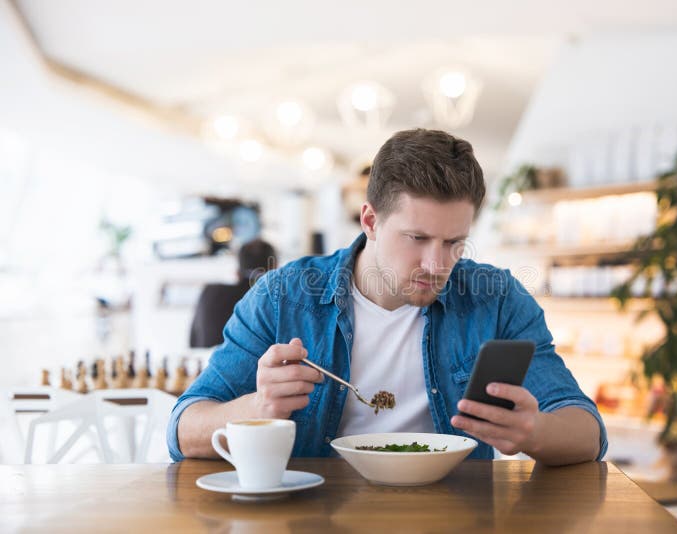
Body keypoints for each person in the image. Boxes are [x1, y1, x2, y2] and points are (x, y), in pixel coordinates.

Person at [169, 129, 607, 465]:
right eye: (416, 237)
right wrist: (256, 407)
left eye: (455, 241)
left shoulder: (498, 300)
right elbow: (182, 429)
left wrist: (535, 433)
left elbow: (588, 432)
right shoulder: (283, 297)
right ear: (370, 220)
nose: (438, 264)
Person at [189, 239, 277, 348]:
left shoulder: (211, 292)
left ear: (237, 272)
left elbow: (193, 341)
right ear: (275, 268)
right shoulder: (274, 301)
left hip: (207, 362)